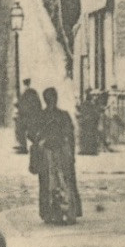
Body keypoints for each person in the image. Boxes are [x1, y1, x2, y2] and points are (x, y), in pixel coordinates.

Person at [28, 87, 82, 225]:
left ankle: (51, 213)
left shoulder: (40, 115)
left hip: (51, 154)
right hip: (59, 154)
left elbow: (31, 133)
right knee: (63, 182)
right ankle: (66, 211)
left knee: (50, 183)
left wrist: (41, 140)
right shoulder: (63, 115)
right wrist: (71, 153)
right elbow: (70, 135)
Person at [14, 79, 41, 154]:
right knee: (29, 132)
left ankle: (24, 147)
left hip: (26, 115)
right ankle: (31, 145)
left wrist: (17, 105)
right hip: (32, 115)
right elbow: (38, 104)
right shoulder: (34, 92)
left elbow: (20, 103)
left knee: (21, 130)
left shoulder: (25, 92)